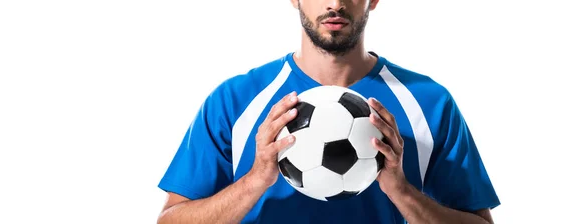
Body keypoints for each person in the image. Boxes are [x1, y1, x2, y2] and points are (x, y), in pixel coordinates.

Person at [156, 0, 500, 223]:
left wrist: (402, 192)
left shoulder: (429, 102)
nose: (335, 4)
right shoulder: (235, 101)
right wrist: (255, 181)